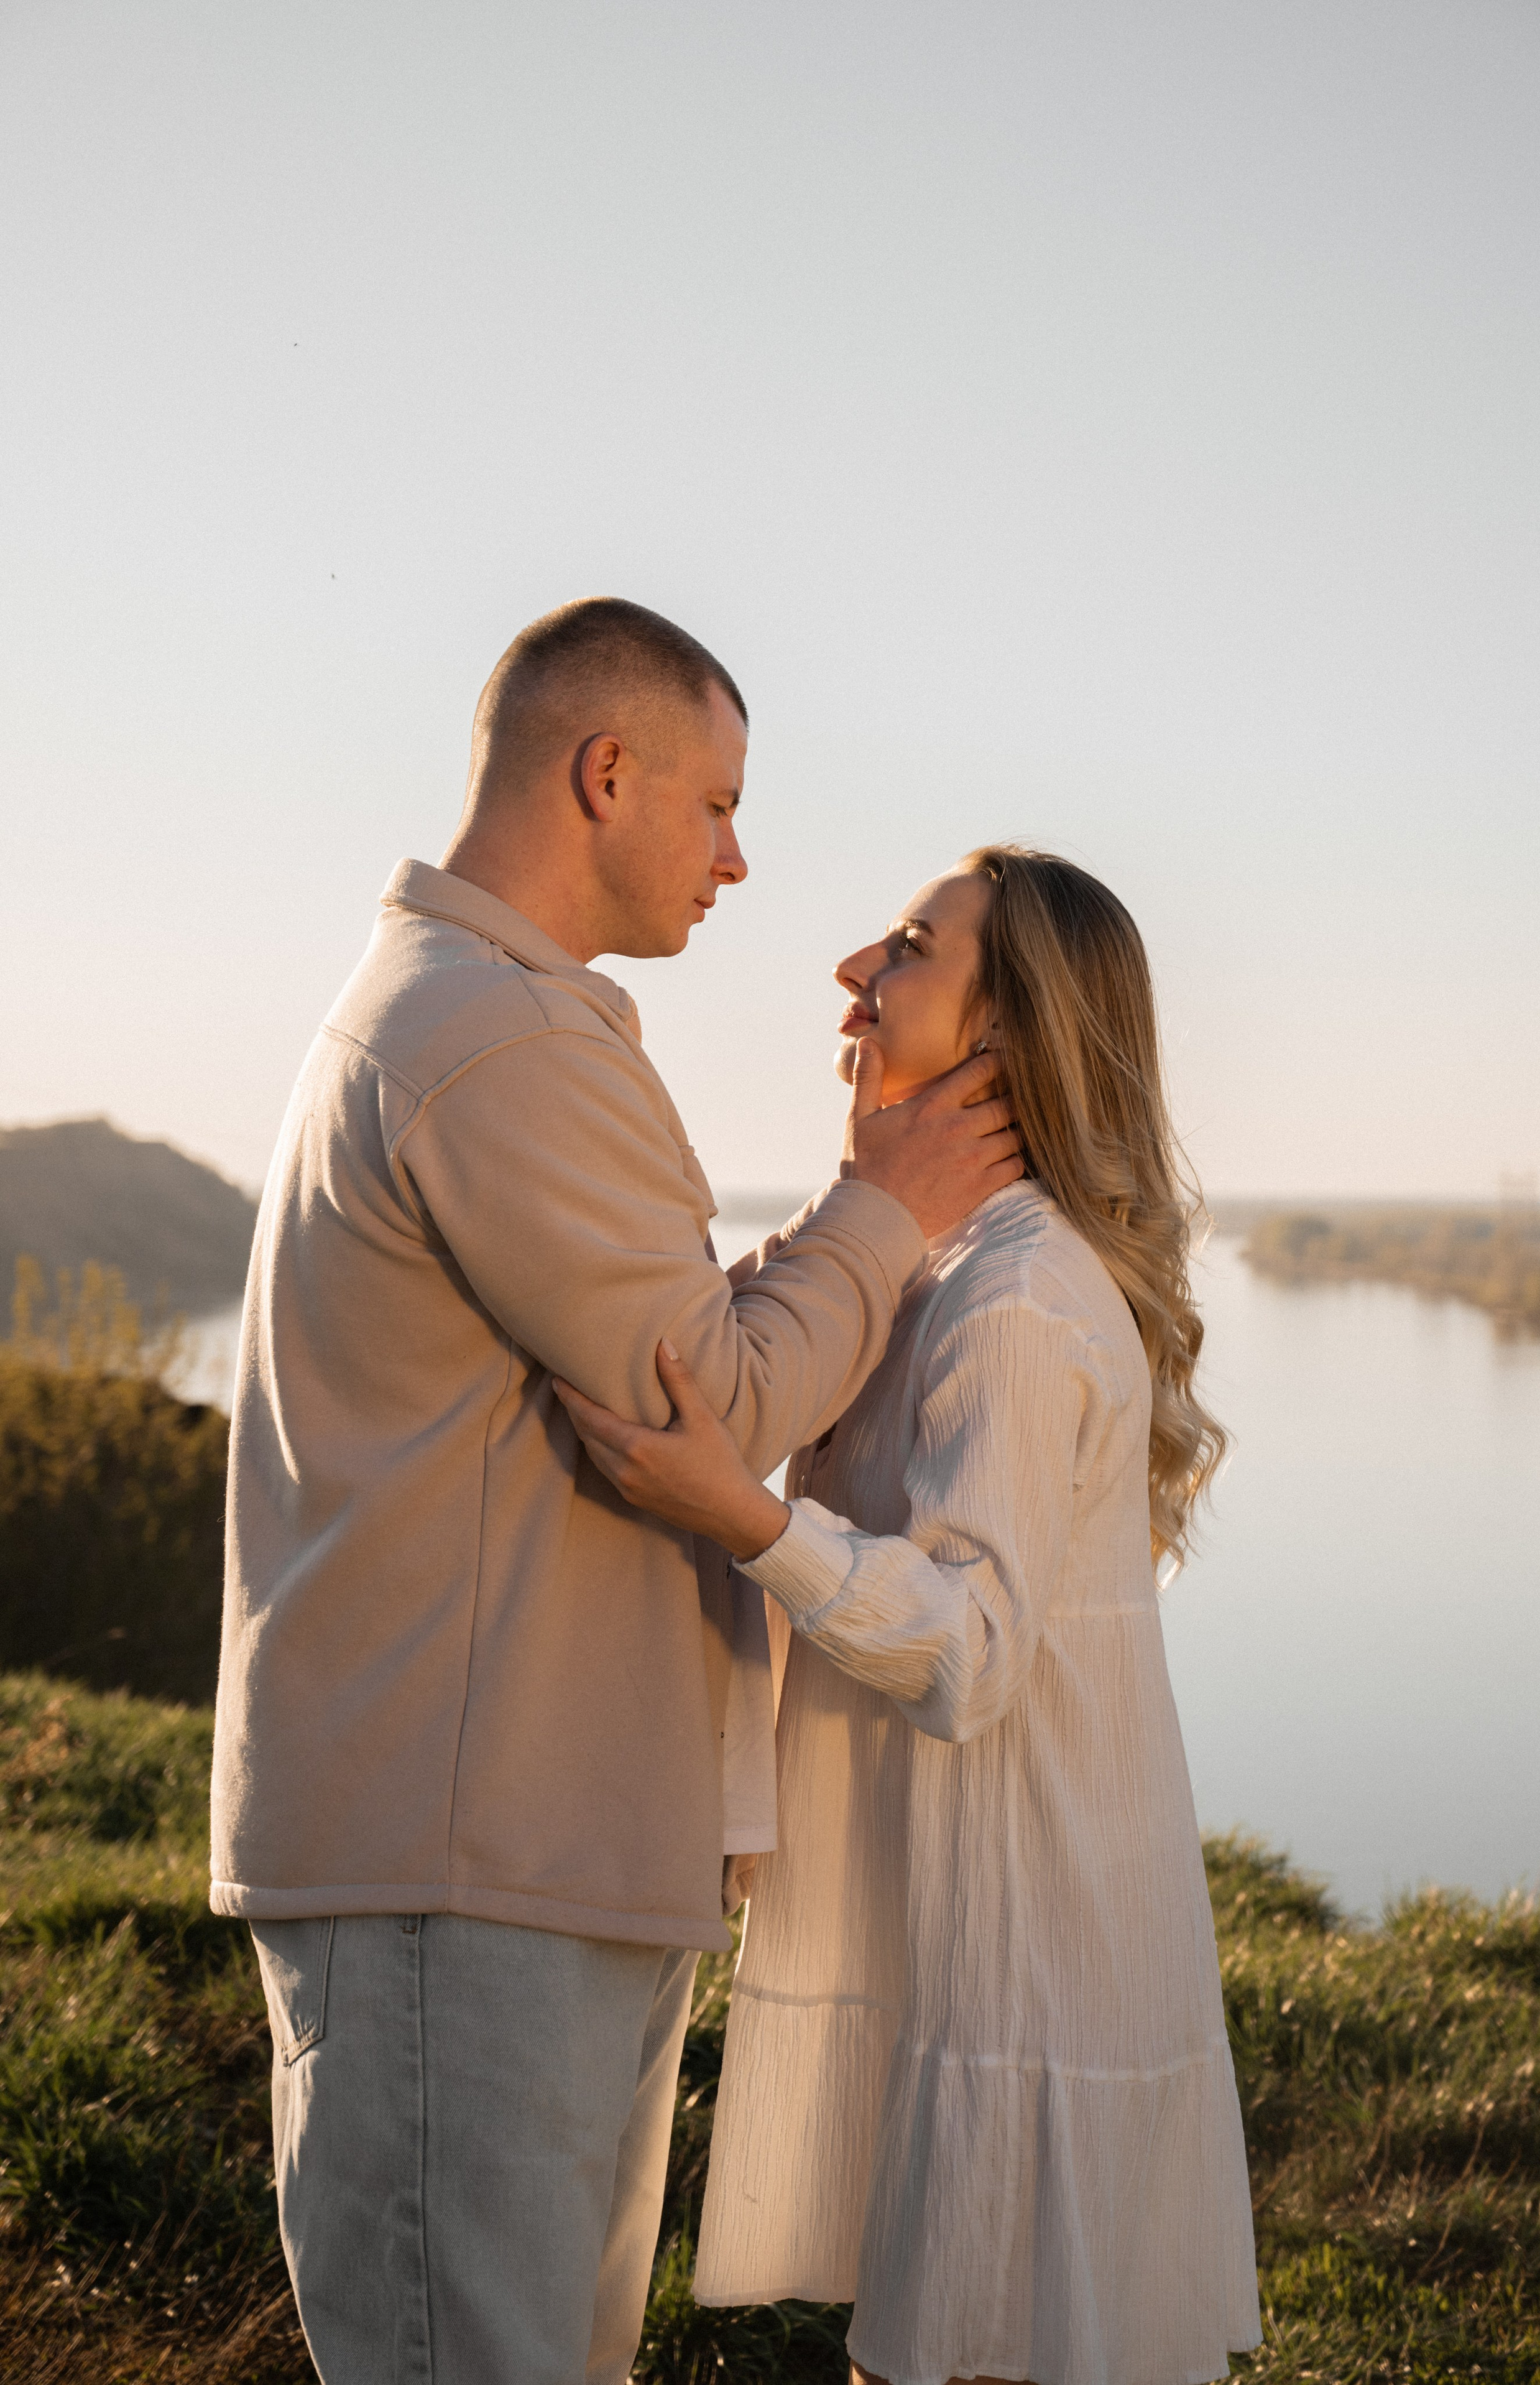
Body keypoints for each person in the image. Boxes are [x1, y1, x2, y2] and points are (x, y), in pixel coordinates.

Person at [209, 598, 1023, 2385]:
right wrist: (886, 1204)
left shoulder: (506, 1024)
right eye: (718, 804)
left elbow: (678, 1365)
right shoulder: (493, 1042)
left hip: (520, 1849)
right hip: (464, 1866)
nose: (741, 857)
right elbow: (711, 1404)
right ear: (605, 773)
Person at [554, 845, 1265, 2385]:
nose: (848, 970)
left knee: (970, 2347)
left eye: (907, 946)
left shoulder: (1008, 1297)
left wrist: (742, 1514)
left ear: (1003, 1037)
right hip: (952, 1912)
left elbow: (970, 1649)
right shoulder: (938, 1268)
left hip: (1018, 1938)